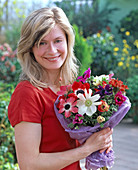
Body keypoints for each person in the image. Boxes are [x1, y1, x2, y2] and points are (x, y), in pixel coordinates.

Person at [8, 7, 113, 170]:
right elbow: (29, 165)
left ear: (67, 41)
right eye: (42, 43)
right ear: (30, 48)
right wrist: (86, 149)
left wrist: (100, 140)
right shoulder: (28, 93)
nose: (52, 50)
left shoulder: (72, 88)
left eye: (57, 41)